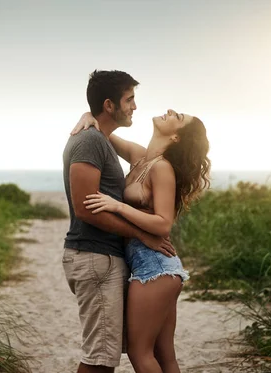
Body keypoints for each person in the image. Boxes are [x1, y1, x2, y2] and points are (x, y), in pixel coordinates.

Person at [70, 107, 211, 373]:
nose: (170, 110)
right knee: (164, 355)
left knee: (140, 352)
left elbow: (163, 222)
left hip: (154, 268)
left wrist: (118, 206)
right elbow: (105, 132)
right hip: (157, 268)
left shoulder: (162, 168)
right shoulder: (141, 157)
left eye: (178, 117)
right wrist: (87, 115)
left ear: (177, 138)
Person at [62, 70, 176, 373]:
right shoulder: (92, 142)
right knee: (103, 358)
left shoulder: (151, 162)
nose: (135, 107)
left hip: (128, 261)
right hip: (96, 256)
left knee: (129, 354)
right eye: (130, 99)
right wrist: (89, 114)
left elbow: (162, 223)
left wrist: (91, 114)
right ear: (110, 105)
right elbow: (87, 210)